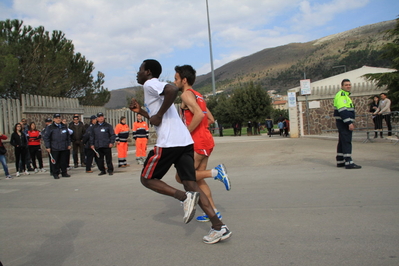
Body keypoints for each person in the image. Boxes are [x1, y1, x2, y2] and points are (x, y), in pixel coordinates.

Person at [130, 59, 231, 244]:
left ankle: (183, 198)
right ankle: (219, 227)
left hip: (169, 142)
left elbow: (172, 90)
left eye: (140, 70)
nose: (138, 73)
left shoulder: (150, 84)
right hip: (185, 141)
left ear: (148, 72)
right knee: (191, 184)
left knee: (147, 179)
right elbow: (159, 116)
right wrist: (144, 113)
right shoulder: (155, 89)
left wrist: (158, 115)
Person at [174, 64, 230, 223]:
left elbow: (198, 115)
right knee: (198, 179)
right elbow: (210, 119)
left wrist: (186, 132)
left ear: (184, 80)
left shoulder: (186, 95)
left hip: (197, 142)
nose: (174, 82)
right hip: (206, 140)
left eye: (176, 78)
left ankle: (216, 172)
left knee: (181, 177)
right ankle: (213, 211)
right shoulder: (199, 96)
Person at [333, 79, 361, 169]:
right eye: (346, 85)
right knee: (346, 141)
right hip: (344, 122)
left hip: (342, 122)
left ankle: (340, 160)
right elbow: (342, 110)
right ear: (342, 86)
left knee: (342, 141)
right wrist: (349, 122)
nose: (348, 86)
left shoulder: (345, 95)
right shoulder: (342, 95)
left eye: (349, 84)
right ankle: (348, 162)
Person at [44, 114, 71, 179]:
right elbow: (46, 137)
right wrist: (48, 147)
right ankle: (55, 173)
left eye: (59, 118)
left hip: (63, 147)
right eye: (56, 118)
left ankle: (64, 172)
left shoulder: (64, 126)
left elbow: (68, 136)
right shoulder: (50, 127)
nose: (58, 119)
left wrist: (69, 144)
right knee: (55, 162)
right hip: (54, 147)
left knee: (63, 161)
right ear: (54, 119)